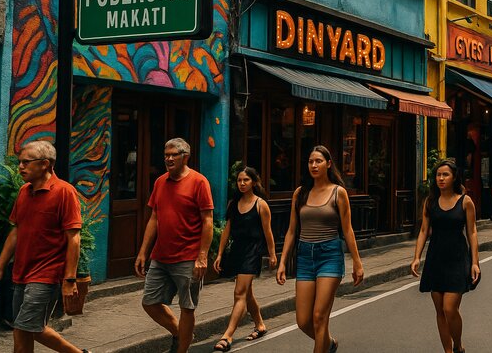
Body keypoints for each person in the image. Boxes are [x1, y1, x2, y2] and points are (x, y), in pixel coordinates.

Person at [0, 141, 90, 353]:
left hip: (47, 274)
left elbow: (74, 238)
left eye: (26, 162)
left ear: (45, 164)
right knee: (23, 329)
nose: (20, 167)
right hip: (21, 272)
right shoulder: (25, 191)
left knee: (26, 327)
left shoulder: (64, 192)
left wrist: (69, 279)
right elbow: (15, 232)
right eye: (19, 162)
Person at [276, 145, 364, 353]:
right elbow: (291, 231)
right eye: (310, 161)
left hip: (330, 255)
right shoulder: (300, 193)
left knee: (319, 317)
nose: (314, 165)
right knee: (303, 320)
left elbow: (348, 230)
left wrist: (357, 263)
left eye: (318, 161)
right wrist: (282, 261)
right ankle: (329, 343)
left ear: (328, 164)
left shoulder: (338, 192)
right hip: (305, 256)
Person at [134, 138, 214, 353]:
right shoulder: (160, 182)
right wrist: (143, 252)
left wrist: (202, 257)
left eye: (173, 155)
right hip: (161, 255)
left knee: (187, 307)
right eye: (166, 155)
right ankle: (181, 334)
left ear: (185, 157)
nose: (168, 158)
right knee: (149, 302)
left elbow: (208, 221)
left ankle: (182, 349)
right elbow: (154, 217)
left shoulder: (199, 182)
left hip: (188, 256)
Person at [411, 159, 480, 353]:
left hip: (457, 258)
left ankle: (458, 345)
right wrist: (417, 257)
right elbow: (424, 230)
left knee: (450, 308)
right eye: (438, 175)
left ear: (454, 177)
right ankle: (448, 351)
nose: (441, 178)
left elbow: (472, 231)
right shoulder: (430, 201)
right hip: (436, 258)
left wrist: (475, 262)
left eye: (445, 175)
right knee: (439, 310)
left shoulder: (465, 201)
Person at [212, 167, 277, 351]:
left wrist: (272, 254)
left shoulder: (260, 205)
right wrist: (219, 254)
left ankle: (228, 335)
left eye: (246, 180)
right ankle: (260, 325)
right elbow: (227, 230)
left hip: (253, 251)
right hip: (238, 250)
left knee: (239, 292)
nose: (241, 183)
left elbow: (268, 232)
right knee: (247, 293)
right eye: (239, 180)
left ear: (254, 182)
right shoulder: (233, 203)